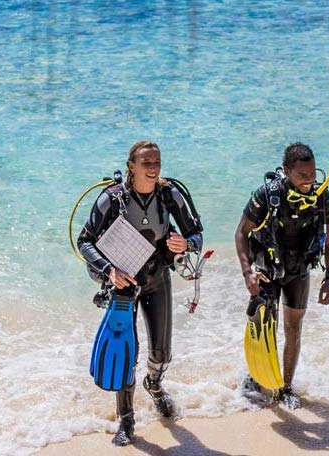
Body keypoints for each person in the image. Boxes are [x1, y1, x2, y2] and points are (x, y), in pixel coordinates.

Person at [77, 140, 203, 446]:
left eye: (157, 162)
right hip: (124, 287)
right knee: (125, 356)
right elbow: (85, 241)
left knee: (161, 352)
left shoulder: (169, 194)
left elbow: (196, 233)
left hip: (158, 278)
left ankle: (155, 385)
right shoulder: (111, 198)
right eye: (146, 163)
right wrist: (109, 270)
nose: (153, 168)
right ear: (131, 166)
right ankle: (127, 420)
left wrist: (186, 244)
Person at [234, 142, 329, 409]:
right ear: (287, 171)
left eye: (313, 174)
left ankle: (286, 387)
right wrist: (248, 272)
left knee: (293, 329)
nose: (309, 181)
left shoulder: (323, 197)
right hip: (267, 268)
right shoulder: (267, 195)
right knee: (264, 325)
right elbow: (241, 233)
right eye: (302, 175)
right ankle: (256, 376)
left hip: (299, 270)